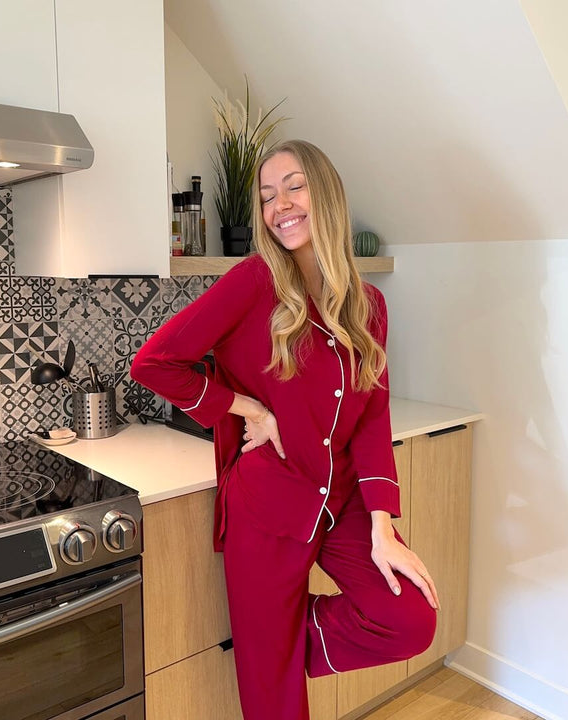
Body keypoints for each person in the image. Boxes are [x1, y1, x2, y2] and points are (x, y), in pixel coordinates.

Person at [130, 139, 439, 720]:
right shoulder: (254, 281)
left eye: (295, 187)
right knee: (274, 704)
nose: (281, 206)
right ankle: (268, 653)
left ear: (327, 194)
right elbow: (154, 362)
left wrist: (382, 527)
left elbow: (372, 418)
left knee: (409, 618)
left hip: (342, 501)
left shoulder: (369, 305)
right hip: (267, 503)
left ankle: (274, 644)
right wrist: (249, 409)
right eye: (268, 196)